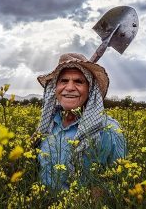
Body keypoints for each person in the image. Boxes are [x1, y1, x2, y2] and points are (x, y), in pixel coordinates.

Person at [33, 53, 126, 189]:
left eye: (79, 81)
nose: (69, 87)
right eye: (64, 81)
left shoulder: (108, 130)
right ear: (55, 88)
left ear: (90, 90)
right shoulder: (47, 125)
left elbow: (118, 182)